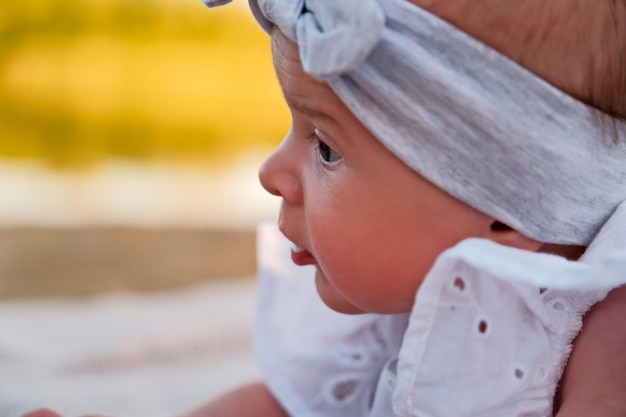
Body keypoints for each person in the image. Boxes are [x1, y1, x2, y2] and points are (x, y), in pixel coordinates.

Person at [23, 0, 626, 416]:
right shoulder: (403, 298)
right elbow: (290, 407)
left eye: (327, 147)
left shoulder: (605, 329)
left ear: (510, 206)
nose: (270, 173)